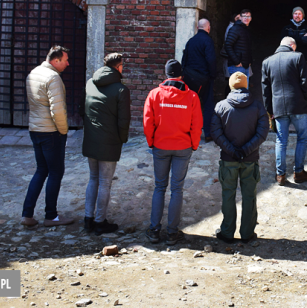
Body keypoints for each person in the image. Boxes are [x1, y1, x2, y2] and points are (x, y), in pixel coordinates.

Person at [143, 59, 203, 245]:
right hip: (183, 147)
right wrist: (193, 144)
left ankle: (154, 231)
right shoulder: (192, 96)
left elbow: (147, 122)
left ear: (166, 74)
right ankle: (171, 233)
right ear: (181, 75)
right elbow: (197, 124)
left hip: (161, 146)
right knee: (177, 189)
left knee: (160, 187)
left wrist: (152, 141)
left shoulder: (154, 94)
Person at [210, 72, 269, 243]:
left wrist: (233, 151)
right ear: (246, 85)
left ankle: (227, 232)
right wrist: (245, 150)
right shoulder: (258, 107)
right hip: (250, 159)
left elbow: (216, 132)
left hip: (229, 159)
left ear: (230, 85)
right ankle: (247, 233)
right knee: (249, 195)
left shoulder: (221, 106)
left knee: (228, 195)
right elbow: (262, 132)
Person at [21, 45, 75, 228]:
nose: (68, 63)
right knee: (55, 172)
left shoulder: (34, 73)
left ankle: (27, 214)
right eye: (65, 60)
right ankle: (51, 215)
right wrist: (63, 131)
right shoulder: (53, 78)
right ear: (55, 60)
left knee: (41, 170)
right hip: (50, 132)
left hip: (35, 129)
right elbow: (57, 110)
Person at [82, 52, 131, 235]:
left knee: (93, 178)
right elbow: (123, 120)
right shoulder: (121, 90)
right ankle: (100, 221)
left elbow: (82, 108)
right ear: (119, 67)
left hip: (91, 139)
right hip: (109, 142)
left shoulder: (90, 83)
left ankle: (88, 219)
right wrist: (122, 139)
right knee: (105, 183)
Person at [261, 36, 307, 185]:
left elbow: (265, 90)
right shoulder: (298, 57)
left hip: (278, 107)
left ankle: (280, 175)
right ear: (293, 45)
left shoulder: (267, 62)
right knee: (303, 137)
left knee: (281, 141)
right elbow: (305, 81)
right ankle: (298, 172)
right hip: (298, 105)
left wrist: (269, 110)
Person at [182, 18, 218, 142]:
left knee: (189, 106)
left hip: (189, 78)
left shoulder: (190, 41)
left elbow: (184, 59)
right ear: (208, 28)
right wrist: (213, 75)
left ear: (197, 27)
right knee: (208, 105)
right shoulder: (208, 41)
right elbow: (211, 60)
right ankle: (208, 133)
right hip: (204, 79)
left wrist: (184, 76)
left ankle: (187, 132)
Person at [222, 9, 253, 84]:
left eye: (248, 16)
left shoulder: (246, 29)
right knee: (238, 92)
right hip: (237, 66)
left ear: (251, 18)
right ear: (240, 18)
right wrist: (236, 62)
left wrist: (249, 61)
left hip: (245, 65)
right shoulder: (235, 29)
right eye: (244, 16)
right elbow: (228, 45)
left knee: (244, 92)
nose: (246, 18)